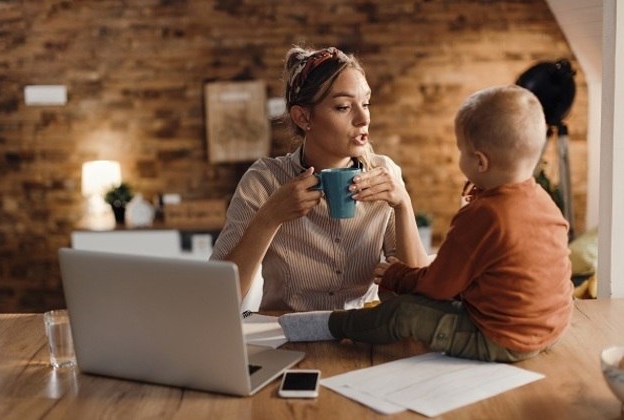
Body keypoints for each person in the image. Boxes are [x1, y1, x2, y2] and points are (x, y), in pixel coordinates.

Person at [279, 85, 574, 363]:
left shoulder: (483, 215)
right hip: (551, 329)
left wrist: (398, 276)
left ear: (480, 163)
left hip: (503, 339)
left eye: (461, 151)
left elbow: (438, 287)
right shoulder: (545, 203)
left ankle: (330, 325)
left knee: (403, 313)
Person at [210, 46, 429, 311]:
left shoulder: (384, 173)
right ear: (303, 117)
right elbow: (217, 296)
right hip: (285, 337)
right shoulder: (264, 180)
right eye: (343, 106)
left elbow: (419, 295)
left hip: (361, 336)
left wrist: (403, 204)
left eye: (366, 103)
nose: (363, 119)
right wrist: (269, 218)